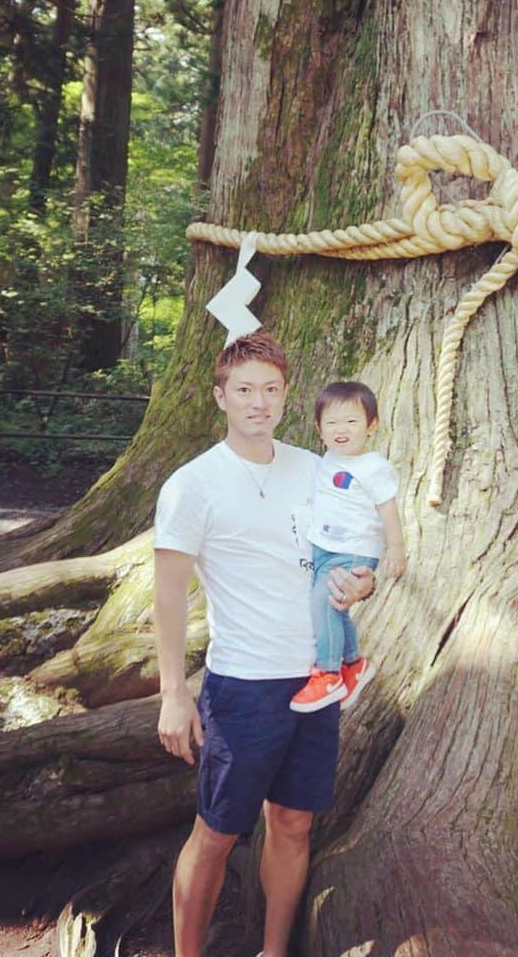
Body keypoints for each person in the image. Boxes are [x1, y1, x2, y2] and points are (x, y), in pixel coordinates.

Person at [153, 330, 375, 957]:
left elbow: (357, 547)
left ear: (285, 396)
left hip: (315, 683)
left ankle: (273, 951)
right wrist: (174, 694)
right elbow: (167, 597)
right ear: (220, 396)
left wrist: (364, 579)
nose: (259, 403)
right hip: (242, 687)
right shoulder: (192, 485)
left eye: (271, 390)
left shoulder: (314, 468)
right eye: (244, 390)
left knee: (294, 822)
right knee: (218, 833)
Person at [290, 382, 406, 713]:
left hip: (353, 549)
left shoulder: (373, 467)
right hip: (323, 547)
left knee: (323, 602)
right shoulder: (326, 459)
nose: (341, 430)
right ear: (319, 429)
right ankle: (354, 664)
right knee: (335, 608)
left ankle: (328, 673)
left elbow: (388, 509)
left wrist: (396, 548)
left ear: (372, 425)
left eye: (352, 422)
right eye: (332, 423)